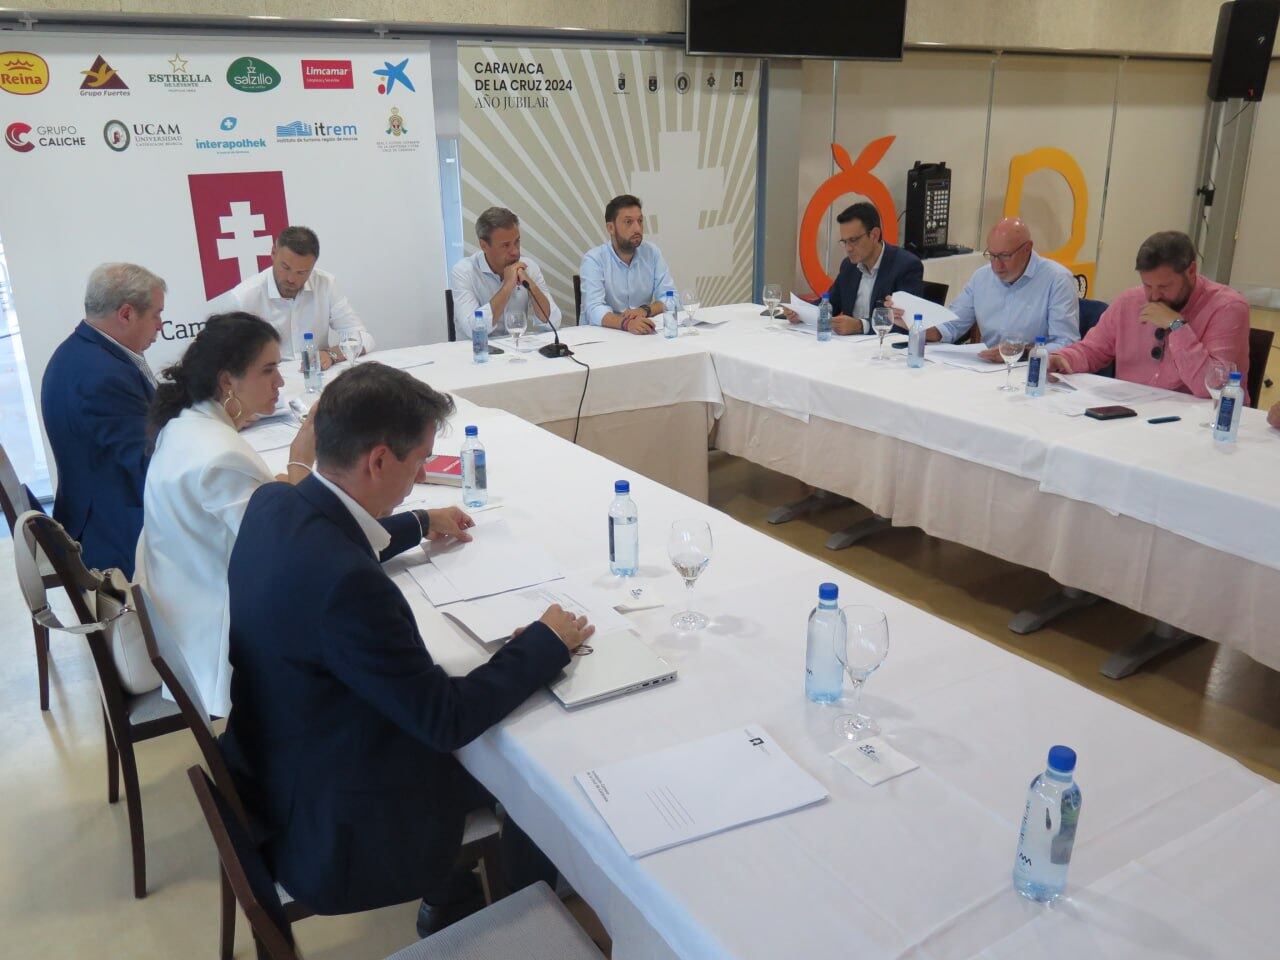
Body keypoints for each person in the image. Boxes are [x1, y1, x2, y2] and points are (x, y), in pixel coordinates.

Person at [219, 362, 594, 927]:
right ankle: (523, 916)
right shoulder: (349, 588)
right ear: (377, 459)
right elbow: (443, 718)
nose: (421, 476)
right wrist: (544, 644)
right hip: (338, 829)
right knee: (525, 755)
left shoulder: (275, 504)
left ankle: (459, 895)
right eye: (419, 460)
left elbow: (334, 530)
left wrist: (419, 522)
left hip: (274, 764)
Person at [134, 313, 316, 717]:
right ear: (227, 381)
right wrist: (302, 464)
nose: (280, 382)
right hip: (222, 640)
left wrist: (280, 487)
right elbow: (291, 547)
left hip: (187, 609)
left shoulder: (184, 424)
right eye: (268, 370)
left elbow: (250, 513)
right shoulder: (221, 453)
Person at [41, 263, 166, 577]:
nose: (161, 325)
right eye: (156, 314)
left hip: (99, 505)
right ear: (126, 314)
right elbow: (150, 468)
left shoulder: (86, 352)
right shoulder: (103, 376)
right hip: (117, 532)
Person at [1049, 231, 1250, 399]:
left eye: (1164, 286)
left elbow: (1213, 388)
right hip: (1130, 414)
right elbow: (1092, 349)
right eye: (1147, 285)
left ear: (1191, 271)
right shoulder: (1130, 301)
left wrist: (1177, 326)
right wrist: (1063, 359)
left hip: (1199, 424)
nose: (1154, 296)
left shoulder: (1228, 307)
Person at [892, 217, 1079, 360]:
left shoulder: (1057, 280)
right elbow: (952, 325)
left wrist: (1021, 353)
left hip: (1032, 370)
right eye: (991, 255)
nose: (997, 266)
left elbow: (1066, 343)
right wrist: (917, 326)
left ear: (1027, 248)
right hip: (990, 369)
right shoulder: (982, 277)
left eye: (1005, 256)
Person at [221, 225, 374, 368]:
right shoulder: (244, 298)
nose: (291, 279)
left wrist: (331, 354)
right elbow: (225, 357)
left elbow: (363, 338)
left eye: (302, 272)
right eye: (285, 267)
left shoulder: (325, 284)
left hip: (317, 378)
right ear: (273, 253)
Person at [784, 202, 924, 334]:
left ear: (874, 235)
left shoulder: (906, 266)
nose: (848, 248)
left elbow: (906, 322)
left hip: (885, 351)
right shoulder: (848, 265)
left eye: (853, 240)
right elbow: (830, 303)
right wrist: (799, 312)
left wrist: (860, 325)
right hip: (850, 348)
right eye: (844, 241)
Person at [451, 207, 562, 341]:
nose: (515, 251)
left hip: (515, 350)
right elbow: (473, 329)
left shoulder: (529, 267)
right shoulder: (464, 271)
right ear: (484, 245)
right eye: (505, 245)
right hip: (477, 353)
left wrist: (530, 285)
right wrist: (507, 287)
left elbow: (554, 322)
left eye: (517, 242)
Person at [579, 194, 677, 335]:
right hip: (603, 337)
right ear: (611, 228)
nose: (637, 228)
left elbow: (672, 298)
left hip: (641, 333)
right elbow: (594, 309)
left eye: (640, 221)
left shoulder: (652, 253)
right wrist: (627, 323)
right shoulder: (593, 259)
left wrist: (645, 310)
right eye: (628, 222)